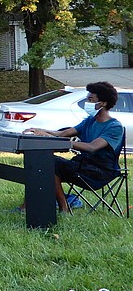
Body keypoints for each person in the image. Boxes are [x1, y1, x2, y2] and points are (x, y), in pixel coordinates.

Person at [21, 81, 124, 213]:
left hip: (100, 170)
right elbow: (64, 133)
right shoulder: (90, 120)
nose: (87, 102)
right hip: (82, 164)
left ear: (103, 103)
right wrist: (41, 131)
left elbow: (92, 147)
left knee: (50, 163)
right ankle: (26, 206)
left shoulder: (114, 127)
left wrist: (61, 142)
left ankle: (64, 208)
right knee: (41, 161)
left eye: (91, 99)